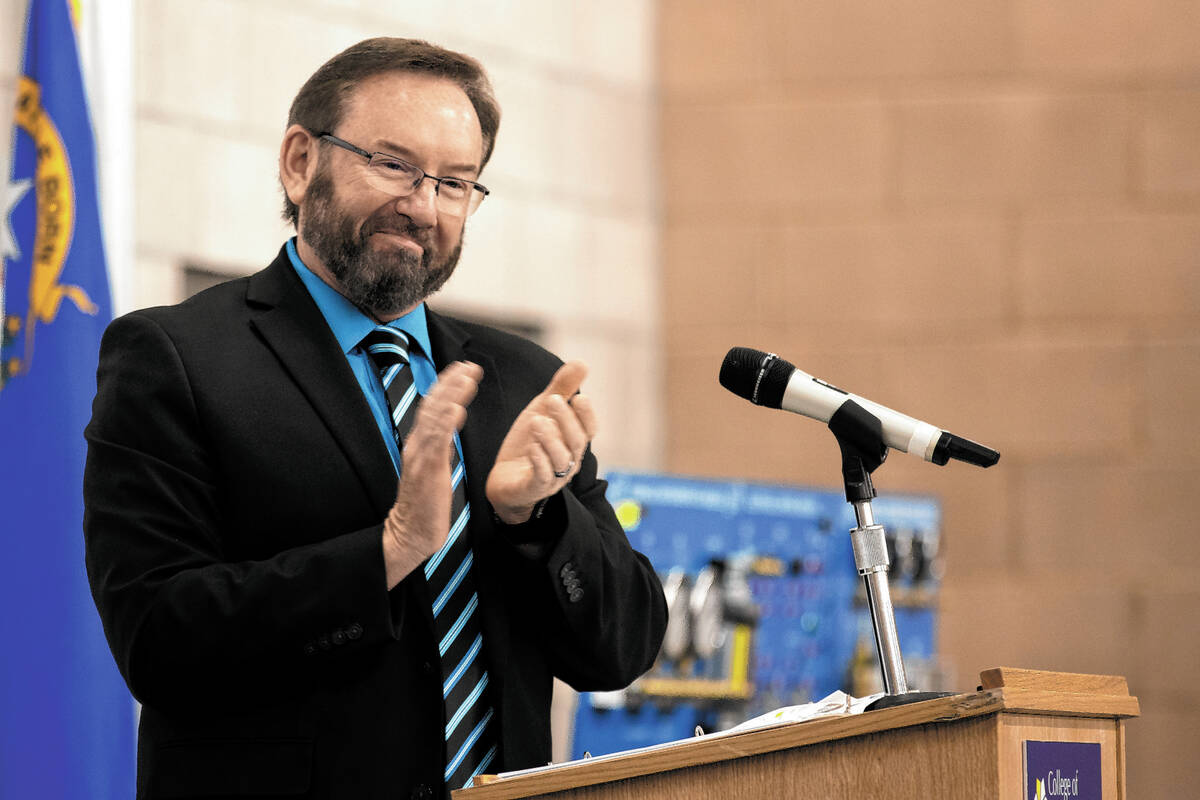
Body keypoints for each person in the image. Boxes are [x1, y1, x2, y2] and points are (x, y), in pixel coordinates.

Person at [83, 37, 667, 800]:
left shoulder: (520, 379)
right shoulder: (175, 357)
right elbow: (158, 642)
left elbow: (620, 650)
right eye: (393, 164)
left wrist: (537, 520)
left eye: (456, 183)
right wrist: (389, 552)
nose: (423, 205)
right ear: (300, 162)